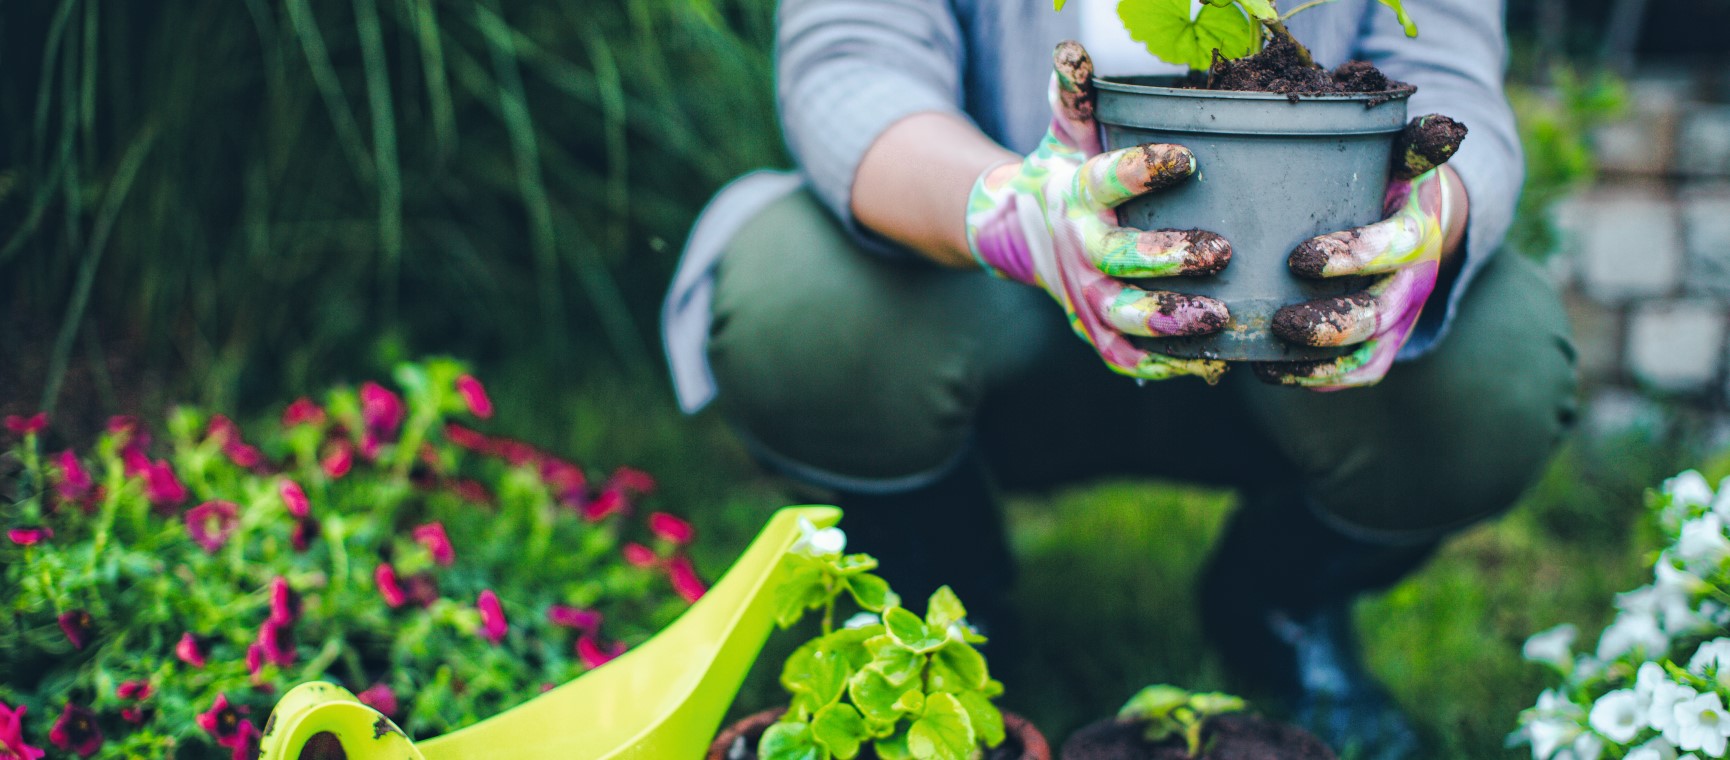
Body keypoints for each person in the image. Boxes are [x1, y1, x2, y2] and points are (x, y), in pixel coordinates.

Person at [661, 1, 1578, 757]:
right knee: (800, 304)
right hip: (982, 283)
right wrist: (1010, 212)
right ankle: (940, 580)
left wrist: (1432, 213)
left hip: (1289, 289)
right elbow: (851, 65)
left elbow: (1454, 75)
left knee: (1494, 370)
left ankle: (1282, 599)